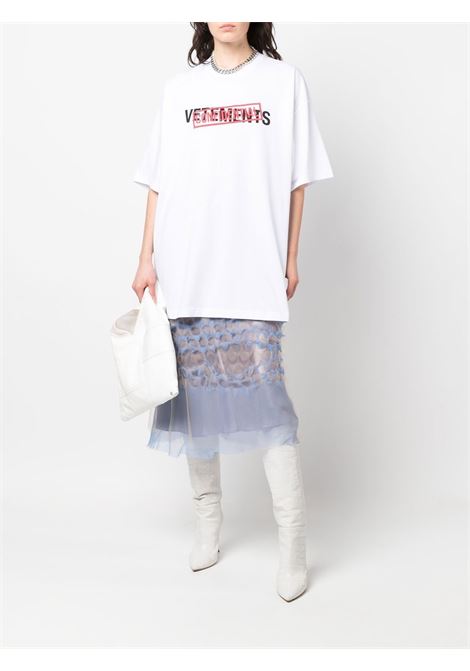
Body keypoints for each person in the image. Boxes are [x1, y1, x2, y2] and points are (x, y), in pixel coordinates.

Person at [131, 22, 334, 602]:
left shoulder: (283, 82)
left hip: (250, 270)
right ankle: (208, 525)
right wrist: (145, 257)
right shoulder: (180, 89)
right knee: (195, 403)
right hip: (186, 267)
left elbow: (298, 180)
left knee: (269, 405)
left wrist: (290, 256)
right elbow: (158, 182)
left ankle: (293, 546)